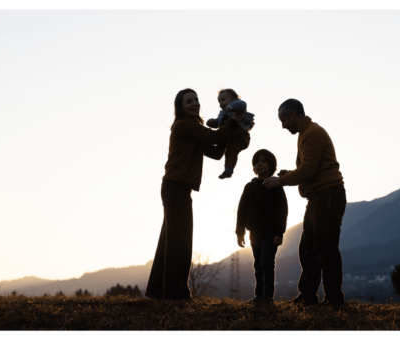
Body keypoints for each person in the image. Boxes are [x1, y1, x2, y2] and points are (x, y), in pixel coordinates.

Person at [145, 88, 247, 301]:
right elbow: (217, 135)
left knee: (170, 240)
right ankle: (175, 292)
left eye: (196, 99)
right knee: (179, 240)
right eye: (189, 101)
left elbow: (217, 152)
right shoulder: (185, 126)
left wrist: (233, 137)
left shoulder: (194, 129)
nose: (194, 103)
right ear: (180, 107)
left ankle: (157, 290)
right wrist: (235, 121)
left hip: (177, 188)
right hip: (175, 187)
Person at [262, 98, 347, 306]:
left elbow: (308, 170)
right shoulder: (305, 134)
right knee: (307, 247)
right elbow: (310, 170)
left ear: (292, 115)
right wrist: (289, 174)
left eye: (283, 120)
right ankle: (308, 295)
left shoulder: (312, 133)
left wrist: (281, 180)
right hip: (317, 197)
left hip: (327, 195)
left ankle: (334, 297)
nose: (283, 125)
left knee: (325, 247)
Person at [236, 149, 288, 303]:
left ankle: (267, 296)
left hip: (270, 233)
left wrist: (279, 233)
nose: (259, 164)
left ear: (271, 165)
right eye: (257, 161)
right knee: (257, 264)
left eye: (263, 161)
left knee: (266, 262)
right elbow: (242, 210)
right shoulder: (249, 187)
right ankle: (259, 295)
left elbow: (282, 210)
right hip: (254, 233)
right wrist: (240, 232)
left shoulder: (275, 185)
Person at [206, 89, 254, 179]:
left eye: (223, 100)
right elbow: (219, 122)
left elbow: (242, 104)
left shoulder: (238, 105)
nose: (221, 103)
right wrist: (213, 122)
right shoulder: (222, 113)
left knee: (233, 150)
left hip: (241, 136)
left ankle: (230, 168)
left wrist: (231, 107)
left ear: (232, 99)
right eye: (219, 101)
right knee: (227, 152)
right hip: (230, 138)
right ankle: (227, 170)